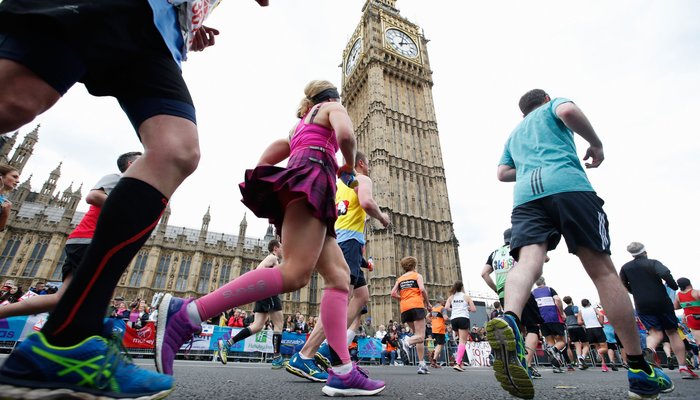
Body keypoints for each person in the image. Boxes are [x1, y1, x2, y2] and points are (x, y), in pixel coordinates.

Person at [0, 0, 273, 396]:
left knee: (177, 150)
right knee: (14, 102)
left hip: (156, 31)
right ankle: (66, 342)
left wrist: (183, 23)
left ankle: (67, 340)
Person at [154, 80, 384, 396]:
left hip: (304, 185)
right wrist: (345, 163)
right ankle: (188, 313)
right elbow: (346, 135)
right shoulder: (333, 107)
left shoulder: (301, 123)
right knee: (294, 274)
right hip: (313, 182)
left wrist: (268, 173)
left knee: (339, 277)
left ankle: (342, 371)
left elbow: (278, 148)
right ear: (332, 95)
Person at [488, 89, 672, 400]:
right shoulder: (552, 107)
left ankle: (510, 319)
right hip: (568, 187)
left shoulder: (514, 133)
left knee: (527, 263)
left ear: (522, 113)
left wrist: (531, 166)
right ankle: (639, 368)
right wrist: (595, 144)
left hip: (526, 200)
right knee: (602, 272)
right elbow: (569, 112)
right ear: (545, 99)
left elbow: (503, 173)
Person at [286, 150, 390, 381]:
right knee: (340, 302)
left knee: (361, 296)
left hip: (338, 241)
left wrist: (361, 260)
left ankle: (326, 349)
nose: (370, 168)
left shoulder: (339, 183)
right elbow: (366, 202)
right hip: (348, 243)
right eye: (369, 164)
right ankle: (305, 355)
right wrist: (382, 218)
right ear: (361, 164)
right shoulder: (362, 179)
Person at [0, 152, 141, 320]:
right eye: (143, 159)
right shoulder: (119, 177)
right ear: (131, 164)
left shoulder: (131, 187)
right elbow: (93, 196)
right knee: (95, 295)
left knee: (62, 298)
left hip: (92, 241)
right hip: (89, 240)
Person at [620, 242, 697, 379]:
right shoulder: (653, 263)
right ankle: (683, 368)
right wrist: (673, 285)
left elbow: (623, 284)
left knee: (654, 333)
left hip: (642, 304)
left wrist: (635, 291)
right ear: (645, 252)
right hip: (661, 301)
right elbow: (665, 273)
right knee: (672, 332)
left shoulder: (625, 268)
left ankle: (650, 350)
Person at [481, 228, 544, 379]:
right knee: (533, 328)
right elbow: (543, 258)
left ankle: (514, 358)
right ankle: (526, 365)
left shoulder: (494, 253)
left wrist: (497, 290)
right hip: (521, 289)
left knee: (517, 328)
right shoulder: (521, 246)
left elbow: (484, 273)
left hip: (504, 294)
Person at [216, 239, 285, 368]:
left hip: (262, 294)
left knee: (257, 326)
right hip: (268, 292)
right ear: (275, 248)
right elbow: (258, 272)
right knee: (279, 323)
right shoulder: (272, 258)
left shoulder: (273, 260)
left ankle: (227, 344)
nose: (282, 250)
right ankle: (277, 358)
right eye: (281, 247)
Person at [391, 256, 432, 375]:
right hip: (417, 306)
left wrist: (402, 298)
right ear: (414, 266)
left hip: (405, 308)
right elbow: (422, 289)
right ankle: (406, 342)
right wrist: (428, 303)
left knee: (417, 336)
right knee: (421, 336)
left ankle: (421, 364)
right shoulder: (417, 275)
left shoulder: (400, 279)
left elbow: (393, 293)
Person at [531, 276, 567, 373]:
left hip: (542, 320)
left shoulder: (533, 293)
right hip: (554, 317)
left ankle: (556, 366)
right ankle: (554, 350)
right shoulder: (549, 289)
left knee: (550, 342)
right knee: (562, 341)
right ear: (544, 282)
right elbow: (558, 300)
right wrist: (562, 312)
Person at [445, 281, 476, 372]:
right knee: (463, 341)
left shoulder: (451, 297)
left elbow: (446, 308)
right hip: (463, 318)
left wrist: (454, 308)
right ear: (462, 287)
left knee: (460, 341)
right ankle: (457, 363)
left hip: (454, 319)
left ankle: (460, 362)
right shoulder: (466, 296)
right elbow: (474, 309)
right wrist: (467, 308)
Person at [577, 300, 610, 372]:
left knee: (597, 347)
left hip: (588, 330)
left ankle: (603, 365)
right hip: (597, 328)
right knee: (604, 348)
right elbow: (601, 315)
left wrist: (586, 321)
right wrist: (601, 323)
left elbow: (579, 322)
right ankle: (599, 354)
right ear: (589, 303)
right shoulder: (593, 308)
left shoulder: (581, 311)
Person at [562, 296, 590, 370]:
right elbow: (576, 315)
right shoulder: (575, 307)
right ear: (571, 300)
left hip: (569, 328)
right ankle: (582, 358)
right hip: (577, 326)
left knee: (577, 345)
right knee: (586, 344)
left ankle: (580, 363)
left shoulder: (564, 310)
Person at [675, 277, 700, 346]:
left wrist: (686, 305)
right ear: (690, 284)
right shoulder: (696, 292)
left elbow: (676, 307)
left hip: (691, 319)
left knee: (699, 341)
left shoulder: (678, 296)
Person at [429, 299, 448, 368]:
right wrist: (451, 319)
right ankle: (434, 359)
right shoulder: (442, 308)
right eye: (444, 301)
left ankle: (435, 361)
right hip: (440, 329)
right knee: (440, 345)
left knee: (439, 345)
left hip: (434, 328)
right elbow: (445, 318)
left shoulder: (433, 309)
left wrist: (433, 321)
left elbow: (427, 316)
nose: (444, 303)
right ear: (441, 302)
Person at [0, 164, 20, 230]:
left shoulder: (4, 201)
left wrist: (5, 213)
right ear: (1, 176)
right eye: (14, 177)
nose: (18, 181)